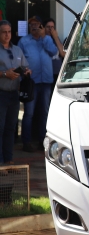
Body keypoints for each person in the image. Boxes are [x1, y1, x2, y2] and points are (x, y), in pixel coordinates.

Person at [18, 16, 58, 152]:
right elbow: (19, 60)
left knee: (44, 112)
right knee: (29, 113)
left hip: (46, 81)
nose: (34, 27)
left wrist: (45, 37)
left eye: (37, 24)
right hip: (31, 82)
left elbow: (54, 51)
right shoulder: (24, 41)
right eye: (31, 25)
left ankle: (42, 141)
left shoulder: (47, 39)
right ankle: (26, 142)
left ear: (41, 26)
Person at [0, 21, 30, 164]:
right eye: (4, 32)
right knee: (0, 128)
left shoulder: (18, 50)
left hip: (14, 94)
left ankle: (8, 159)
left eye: (9, 31)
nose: (7, 35)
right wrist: (5, 74)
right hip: (1, 93)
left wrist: (26, 71)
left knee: (11, 128)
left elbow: (25, 66)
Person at [43, 18, 66, 84]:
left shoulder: (56, 38)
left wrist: (56, 37)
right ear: (44, 28)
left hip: (57, 73)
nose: (50, 29)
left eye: (52, 27)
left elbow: (63, 53)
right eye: (48, 27)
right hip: (47, 74)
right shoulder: (43, 39)